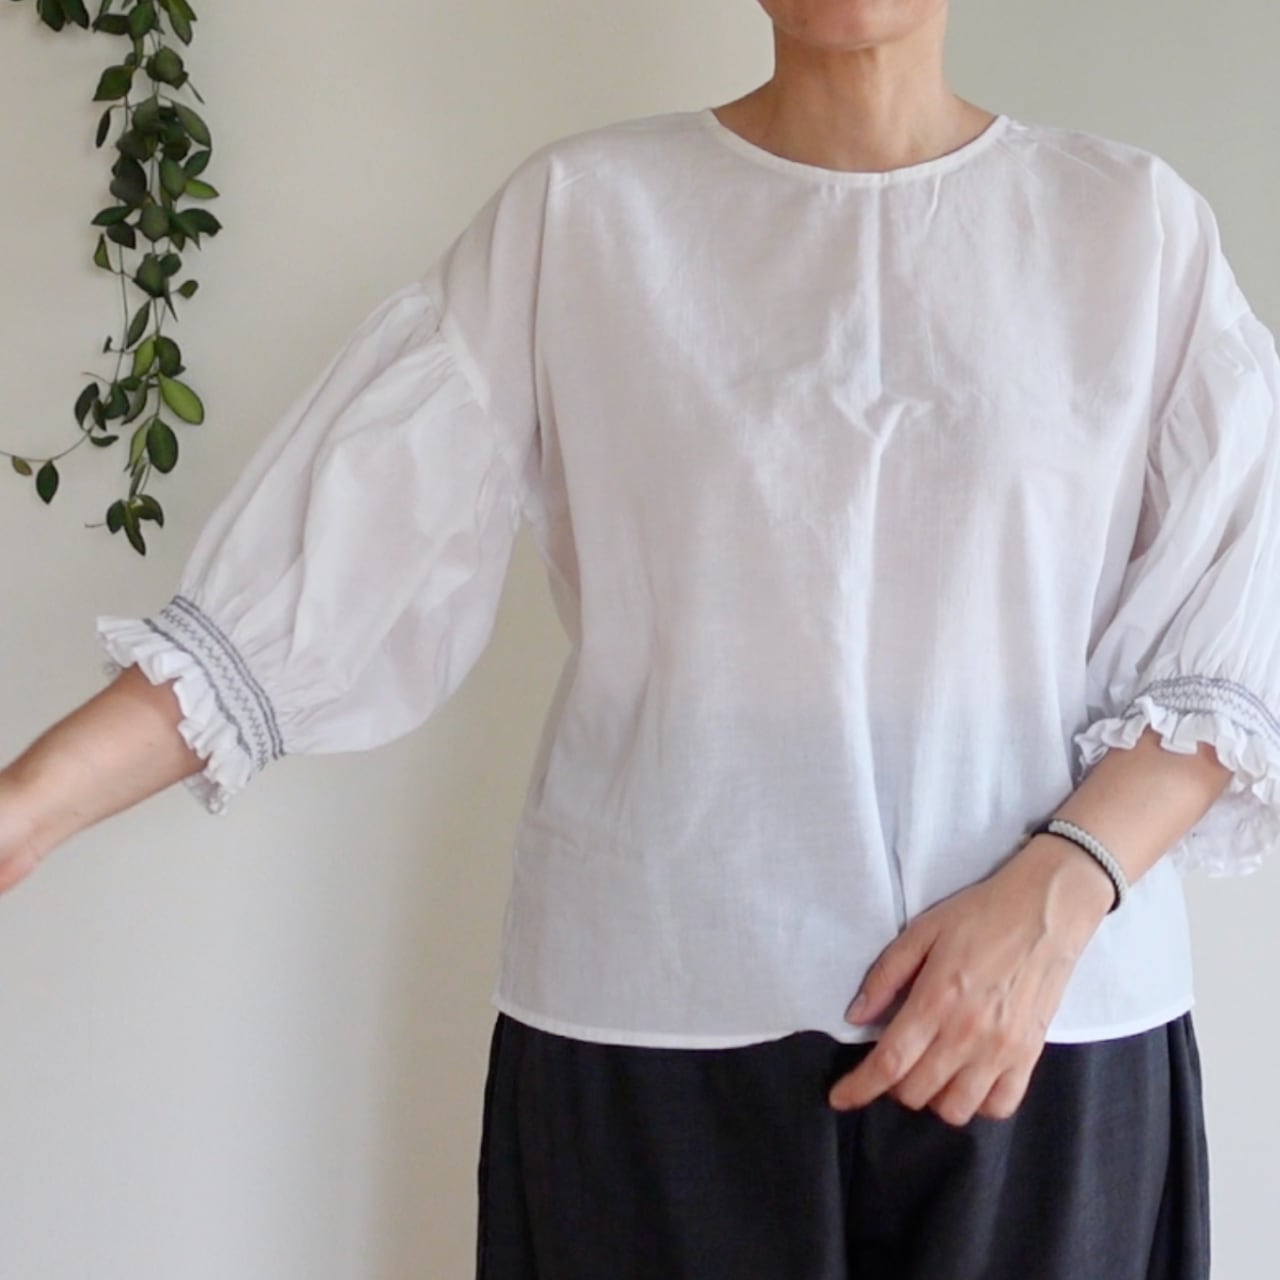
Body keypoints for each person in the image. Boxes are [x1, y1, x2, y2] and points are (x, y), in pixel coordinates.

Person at [4, 1, 1277, 1275]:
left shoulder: (1128, 226)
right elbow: (320, 577)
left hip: (1045, 1024)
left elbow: (1230, 627)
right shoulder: (583, 216)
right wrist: (29, 804)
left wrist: (1063, 887)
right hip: (653, 1032)